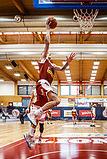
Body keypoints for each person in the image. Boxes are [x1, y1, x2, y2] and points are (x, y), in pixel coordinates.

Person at [24, 20, 76, 149]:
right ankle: (34, 113)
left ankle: (30, 135)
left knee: (38, 119)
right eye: (48, 53)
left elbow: (63, 69)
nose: (49, 53)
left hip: (44, 88)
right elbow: (47, 44)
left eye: (50, 53)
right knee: (57, 100)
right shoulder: (43, 60)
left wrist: (68, 62)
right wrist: (48, 29)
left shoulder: (53, 66)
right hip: (42, 83)